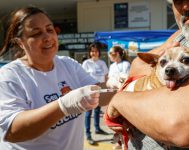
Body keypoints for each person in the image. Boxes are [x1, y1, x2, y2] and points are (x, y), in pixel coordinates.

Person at [106, 0, 189, 149]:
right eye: (178, 0)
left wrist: (120, 101)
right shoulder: (183, 33)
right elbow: (138, 64)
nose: (187, 6)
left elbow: (182, 129)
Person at [0, 6, 114, 150]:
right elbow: (13, 131)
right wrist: (63, 106)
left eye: (50, 30)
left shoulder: (68, 64)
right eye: (36, 33)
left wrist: (118, 85)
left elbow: (99, 93)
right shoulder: (9, 75)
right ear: (20, 43)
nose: (47, 37)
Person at [82, 42, 109, 145]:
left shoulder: (102, 63)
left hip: (100, 90)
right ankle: (88, 134)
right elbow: (82, 77)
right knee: (88, 113)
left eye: (96, 51)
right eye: (92, 51)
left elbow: (106, 76)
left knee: (97, 111)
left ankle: (98, 129)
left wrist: (105, 87)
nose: (94, 53)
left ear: (99, 52)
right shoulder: (86, 63)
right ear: (90, 52)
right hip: (89, 91)